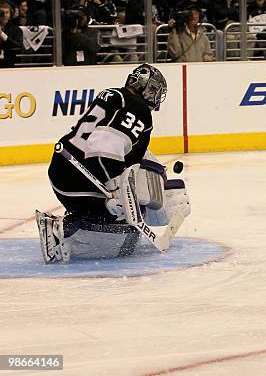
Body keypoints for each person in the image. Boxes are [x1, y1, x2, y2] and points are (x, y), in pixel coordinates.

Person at [37, 64, 190, 263]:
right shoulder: (139, 108)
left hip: (63, 168)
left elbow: (122, 150)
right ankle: (61, 235)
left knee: (114, 213)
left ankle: (74, 222)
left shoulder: (115, 96)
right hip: (83, 177)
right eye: (154, 91)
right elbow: (105, 146)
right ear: (146, 87)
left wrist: (160, 181)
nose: (155, 98)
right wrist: (116, 190)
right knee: (126, 230)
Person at [0, 1, 22, 67]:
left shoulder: (15, 29)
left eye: (7, 12)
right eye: (2, 13)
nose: (4, 15)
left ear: (11, 15)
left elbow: (18, 45)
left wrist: (1, 34)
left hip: (9, 63)